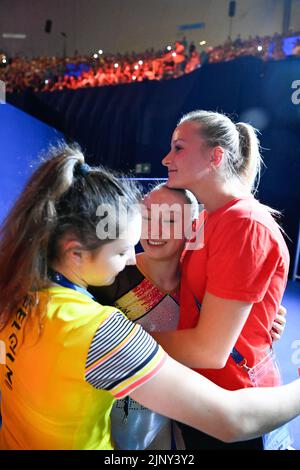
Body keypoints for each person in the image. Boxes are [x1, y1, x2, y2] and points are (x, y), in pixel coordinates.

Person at [0, 143, 299, 451]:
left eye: (169, 220)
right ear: (75, 252)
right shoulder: (99, 327)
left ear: (192, 228)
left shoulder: (19, 289)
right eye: (119, 251)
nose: (131, 257)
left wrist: (248, 322)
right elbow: (232, 419)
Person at [91, 183, 287, 450]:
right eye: (147, 217)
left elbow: (234, 329)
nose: (154, 229)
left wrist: (264, 322)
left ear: (193, 228)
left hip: (179, 421)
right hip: (113, 420)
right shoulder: (109, 276)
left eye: (170, 220)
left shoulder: (206, 286)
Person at [151, 110, 292, 450]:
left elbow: (210, 350)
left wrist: (121, 340)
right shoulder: (206, 218)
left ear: (215, 156)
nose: (166, 158)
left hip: (235, 403)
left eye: (179, 148)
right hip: (202, 394)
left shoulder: (244, 223)